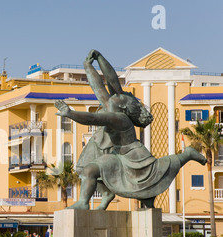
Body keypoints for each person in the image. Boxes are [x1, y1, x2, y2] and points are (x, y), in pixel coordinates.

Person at [55, 50, 207, 210]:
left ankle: (188, 154)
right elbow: (106, 82)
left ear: (122, 106)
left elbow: (93, 119)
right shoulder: (115, 105)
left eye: (118, 96)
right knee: (90, 170)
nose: (113, 95)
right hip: (118, 154)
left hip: (131, 156)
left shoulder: (119, 118)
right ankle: (100, 198)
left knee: (95, 171)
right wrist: (93, 62)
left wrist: (70, 113)